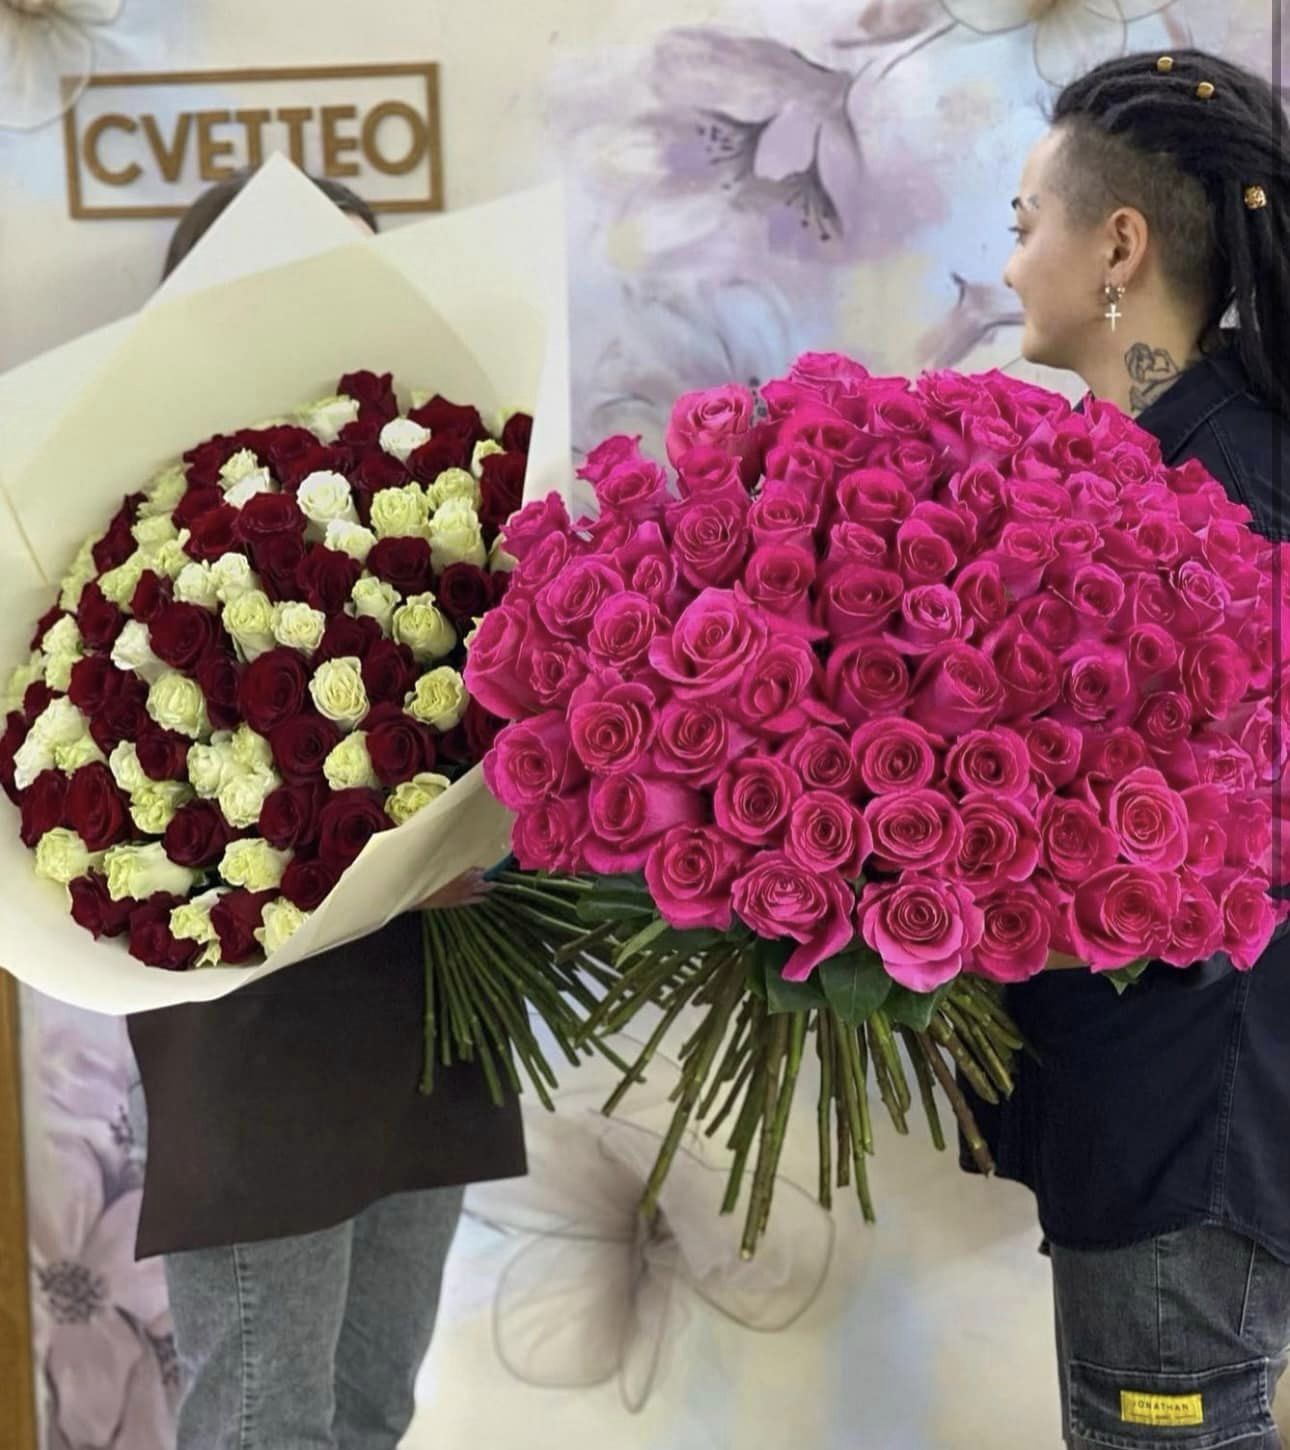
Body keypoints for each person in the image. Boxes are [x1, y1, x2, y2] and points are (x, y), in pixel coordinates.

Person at [127, 170, 527, 1450]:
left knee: (371, 1412)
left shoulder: (441, 485)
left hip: (426, 1005)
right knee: (264, 1424)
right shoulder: (141, 515)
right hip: (261, 1036)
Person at [973, 48, 1290, 1450]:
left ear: (1117, 246)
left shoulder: (1221, 493)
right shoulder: (1148, 459)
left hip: (1190, 1122)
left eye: (1024, 222)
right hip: (1154, 1111)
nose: (1008, 264)